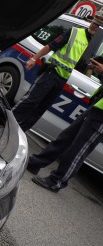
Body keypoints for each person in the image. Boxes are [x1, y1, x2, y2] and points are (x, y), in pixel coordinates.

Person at [12, 14, 103, 131]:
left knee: (40, 109)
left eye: (98, 25)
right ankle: (6, 123)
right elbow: (51, 46)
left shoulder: (96, 45)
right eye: (94, 23)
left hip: (63, 80)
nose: (95, 26)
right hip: (52, 73)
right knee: (30, 101)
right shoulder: (75, 32)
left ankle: (20, 131)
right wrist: (34, 58)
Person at [28, 57, 103, 192]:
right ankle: (35, 163)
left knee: (78, 150)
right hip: (97, 107)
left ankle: (56, 181)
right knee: (65, 138)